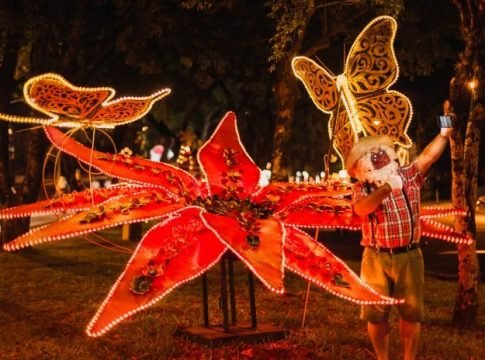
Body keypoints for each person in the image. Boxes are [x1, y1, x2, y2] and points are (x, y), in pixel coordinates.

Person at [346, 124, 453, 360]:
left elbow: (428, 156)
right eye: (372, 155)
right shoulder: (361, 188)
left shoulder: (408, 176)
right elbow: (362, 209)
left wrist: (445, 128)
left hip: (409, 255)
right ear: (362, 166)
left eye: (381, 152)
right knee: (375, 314)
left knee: (411, 313)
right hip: (375, 257)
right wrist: (385, 189)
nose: (378, 157)